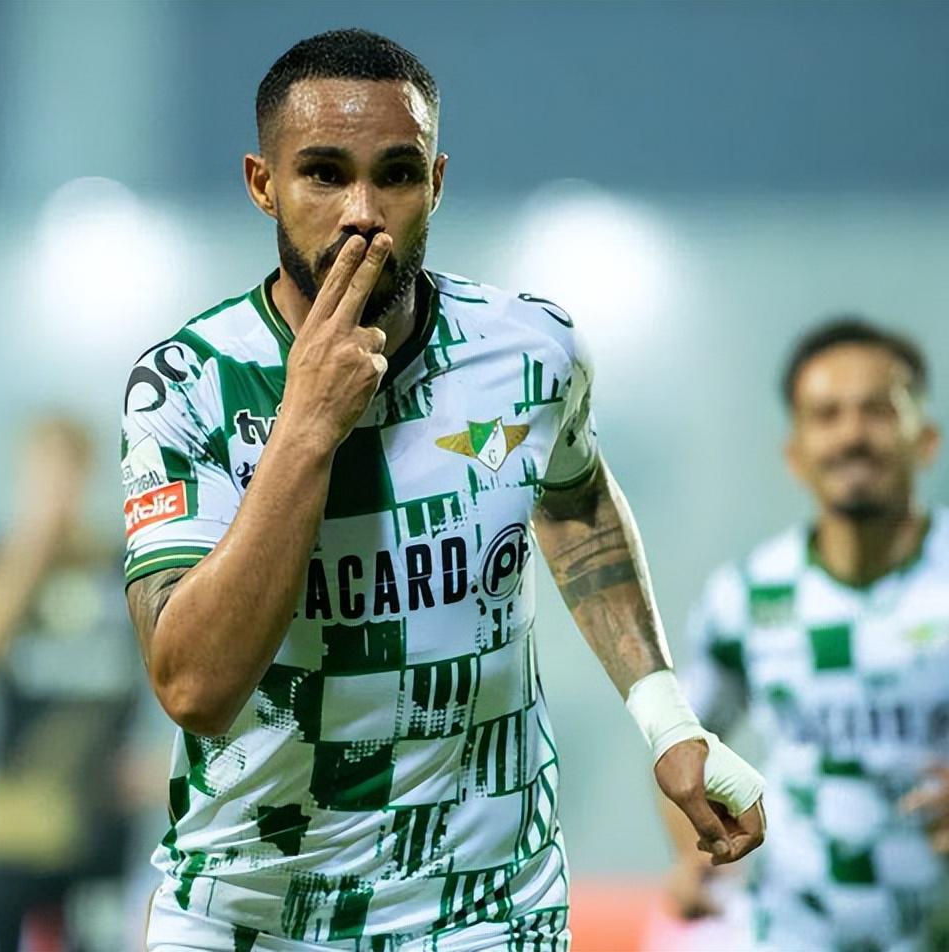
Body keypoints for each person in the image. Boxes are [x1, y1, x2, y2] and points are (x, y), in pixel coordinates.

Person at [122, 29, 765, 951]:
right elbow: (195, 686)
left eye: (396, 174)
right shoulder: (187, 384)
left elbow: (576, 503)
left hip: (485, 911)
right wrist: (307, 425)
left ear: (437, 182)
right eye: (323, 174)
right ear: (263, 184)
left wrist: (667, 721)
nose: (362, 213)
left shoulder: (530, 352)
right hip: (251, 908)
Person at [665, 318, 949, 950]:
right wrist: (692, 855)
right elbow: (680, 742)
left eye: (878, 411)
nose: (852, 435)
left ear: (926, 439)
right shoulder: (746, 597)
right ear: (795, 453)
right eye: (826, 415)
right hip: (789, 935)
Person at [0, 416, 141, 952]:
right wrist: (31, 550)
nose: (56, 490)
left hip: (98, 812)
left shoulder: (118, 565)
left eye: (67, 474)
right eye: (43, 474)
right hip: (13, 817)